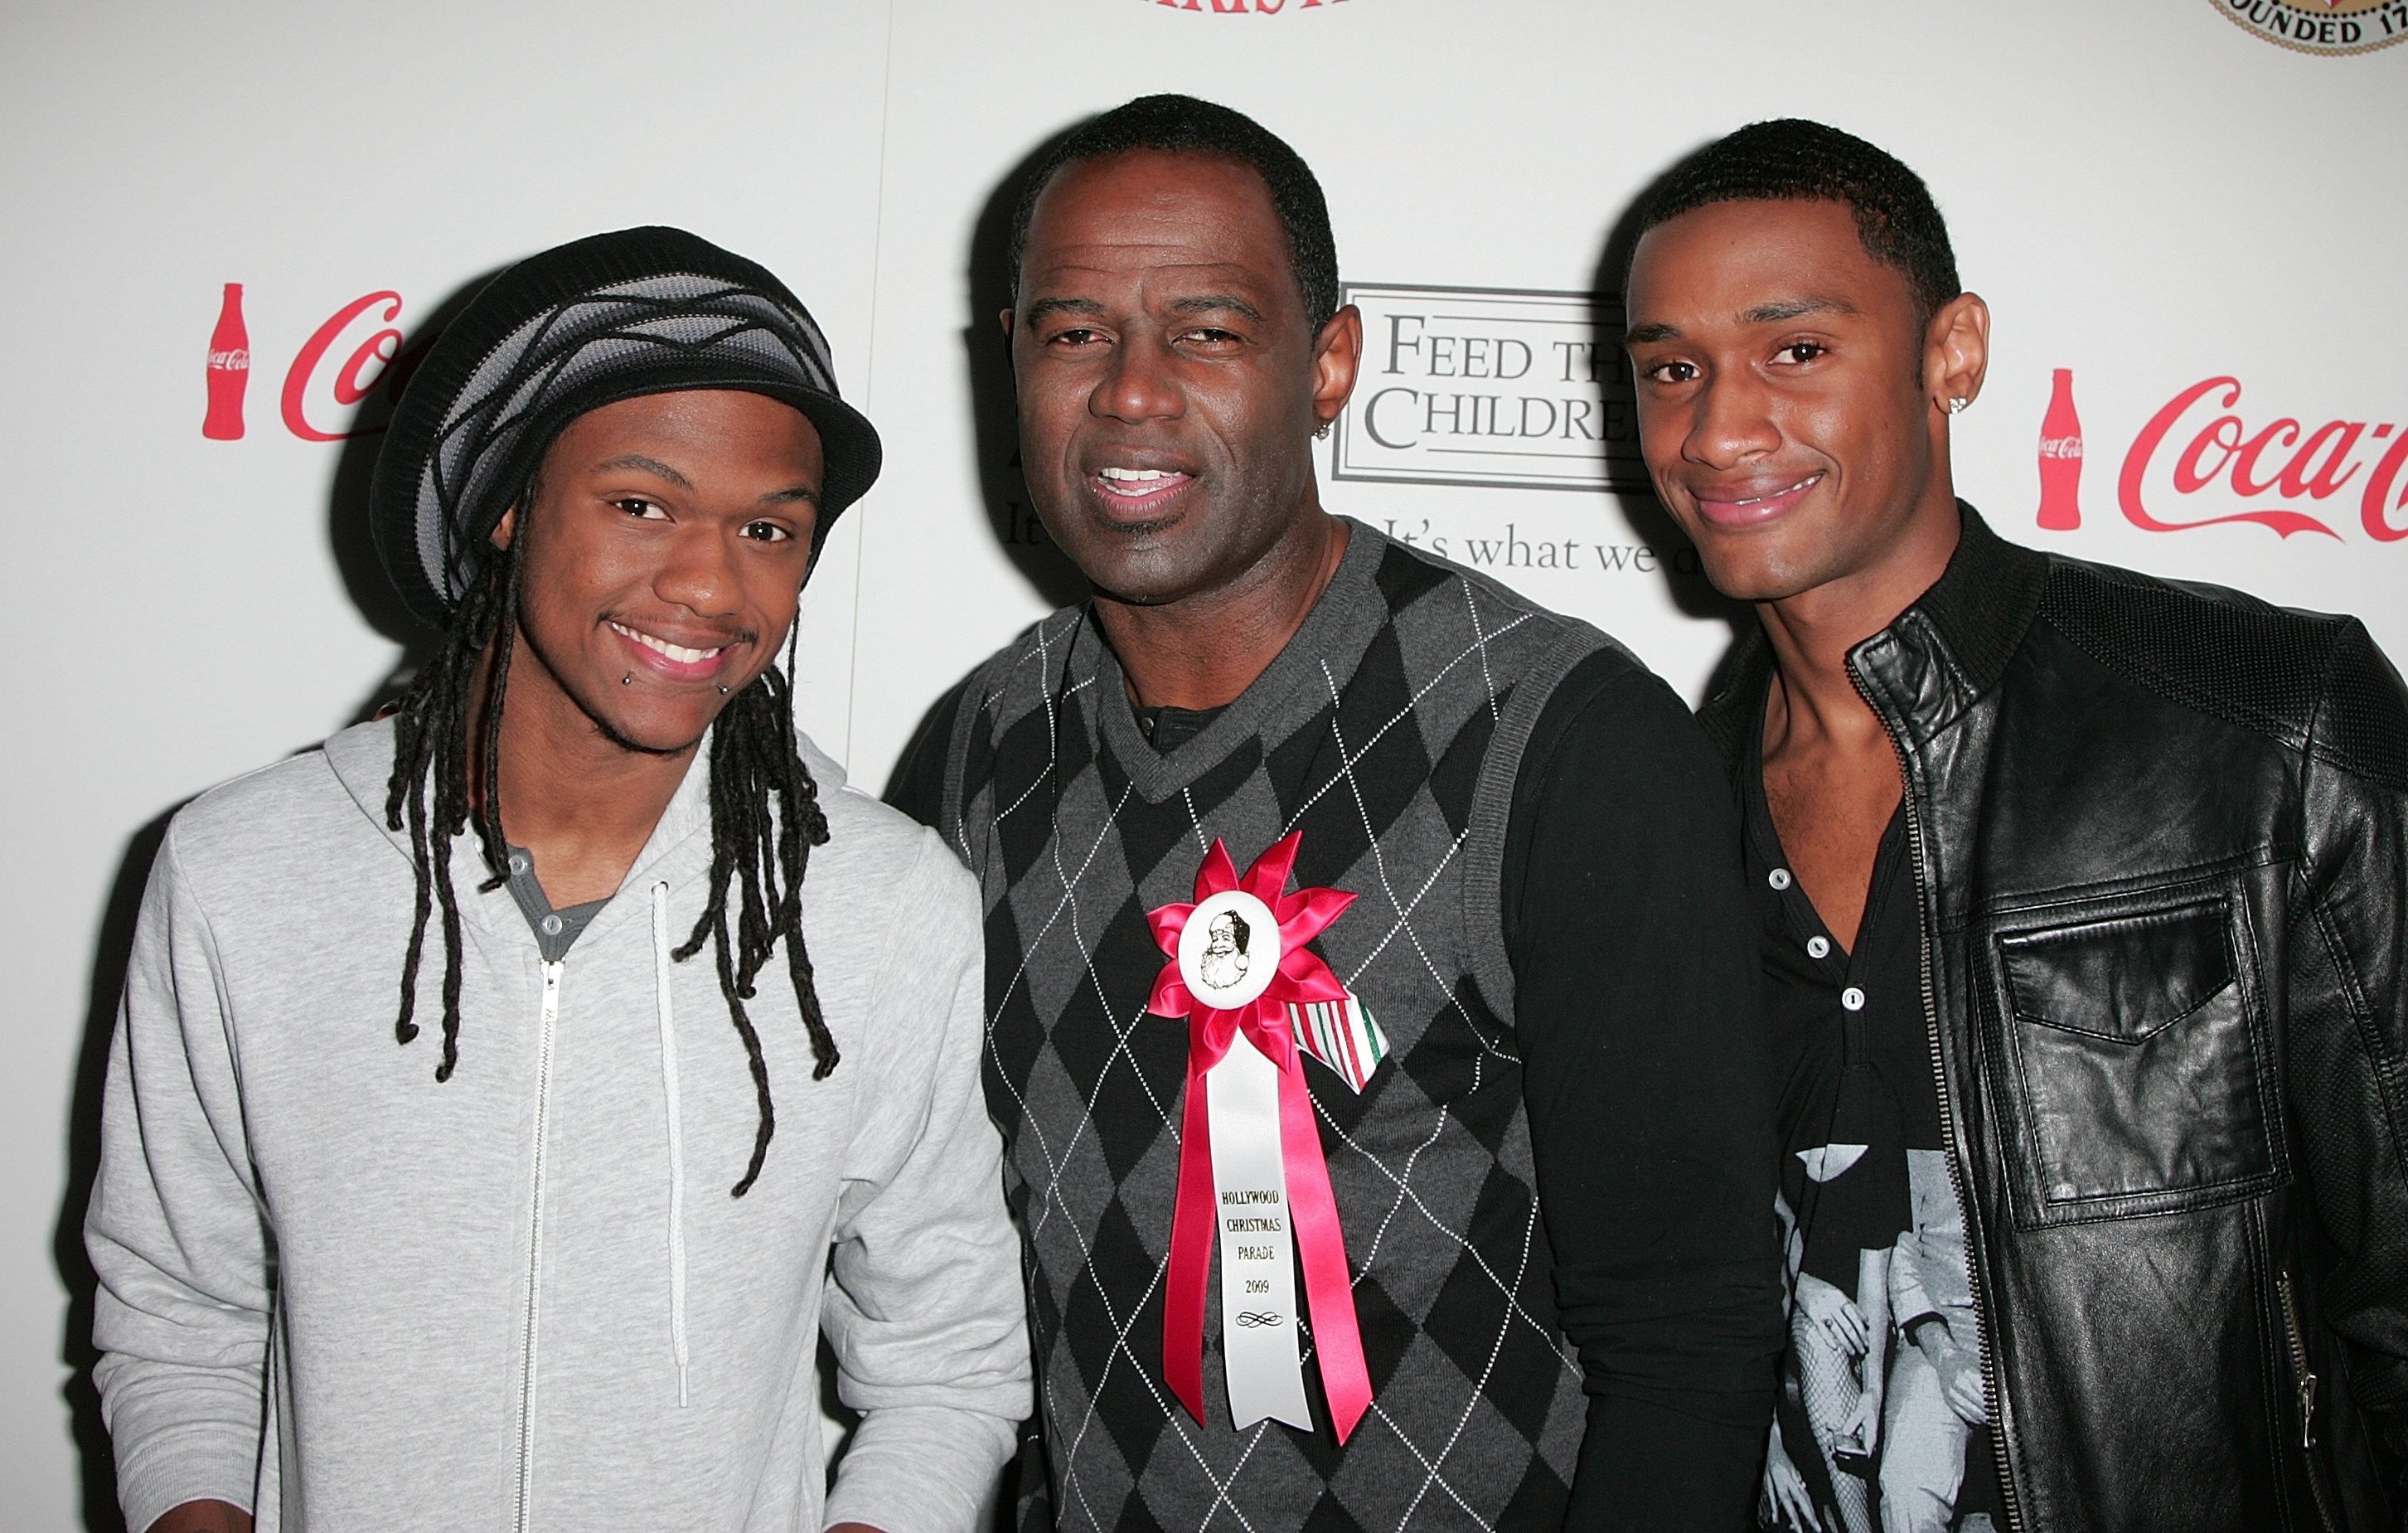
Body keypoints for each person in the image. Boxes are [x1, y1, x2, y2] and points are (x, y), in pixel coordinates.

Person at [889, 95, 1781, 1532]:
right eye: (1073, 333)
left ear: (1331, 363)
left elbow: (1691, 1340)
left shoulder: (1559, 737)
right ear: (1012, 364)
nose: (1128, 391)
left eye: (1208, 330)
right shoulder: (976, 752)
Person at [85, 227, 1030, 1533]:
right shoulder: (243, 870)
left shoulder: (881, 910)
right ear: (508, 503)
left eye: (768, 526)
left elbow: (946, 1357)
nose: (708, 580)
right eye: (640, 502)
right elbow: (177, 1311)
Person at [1621, 119, 2408, 1533]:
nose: (1719, 428)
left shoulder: (2267, 728)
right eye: (1672, 366)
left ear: (1952, 352)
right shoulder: (1652, 809)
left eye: (1793, 349)